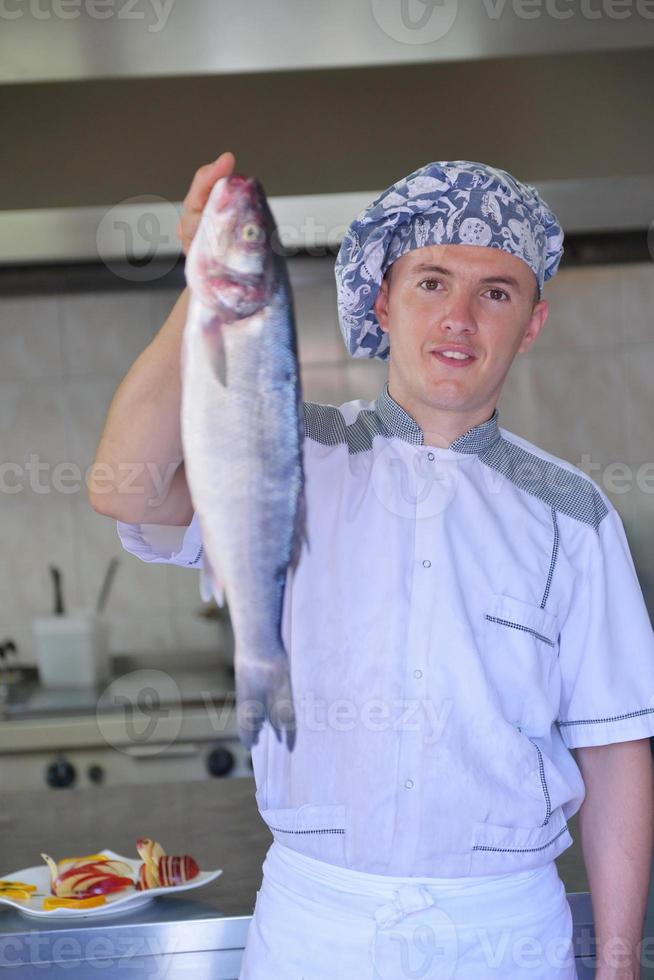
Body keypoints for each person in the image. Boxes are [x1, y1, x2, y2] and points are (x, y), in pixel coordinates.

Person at [91, 153, 654, 979]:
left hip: (505, 932)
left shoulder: (574, 514)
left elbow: (614, 754)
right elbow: (123, 489)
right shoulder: (281, 447)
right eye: (431, 282)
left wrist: (617, 964)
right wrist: (207, 282)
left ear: (531, 322)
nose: (459, 316)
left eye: (495, 292)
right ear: (384, 301)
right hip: (317, 927)